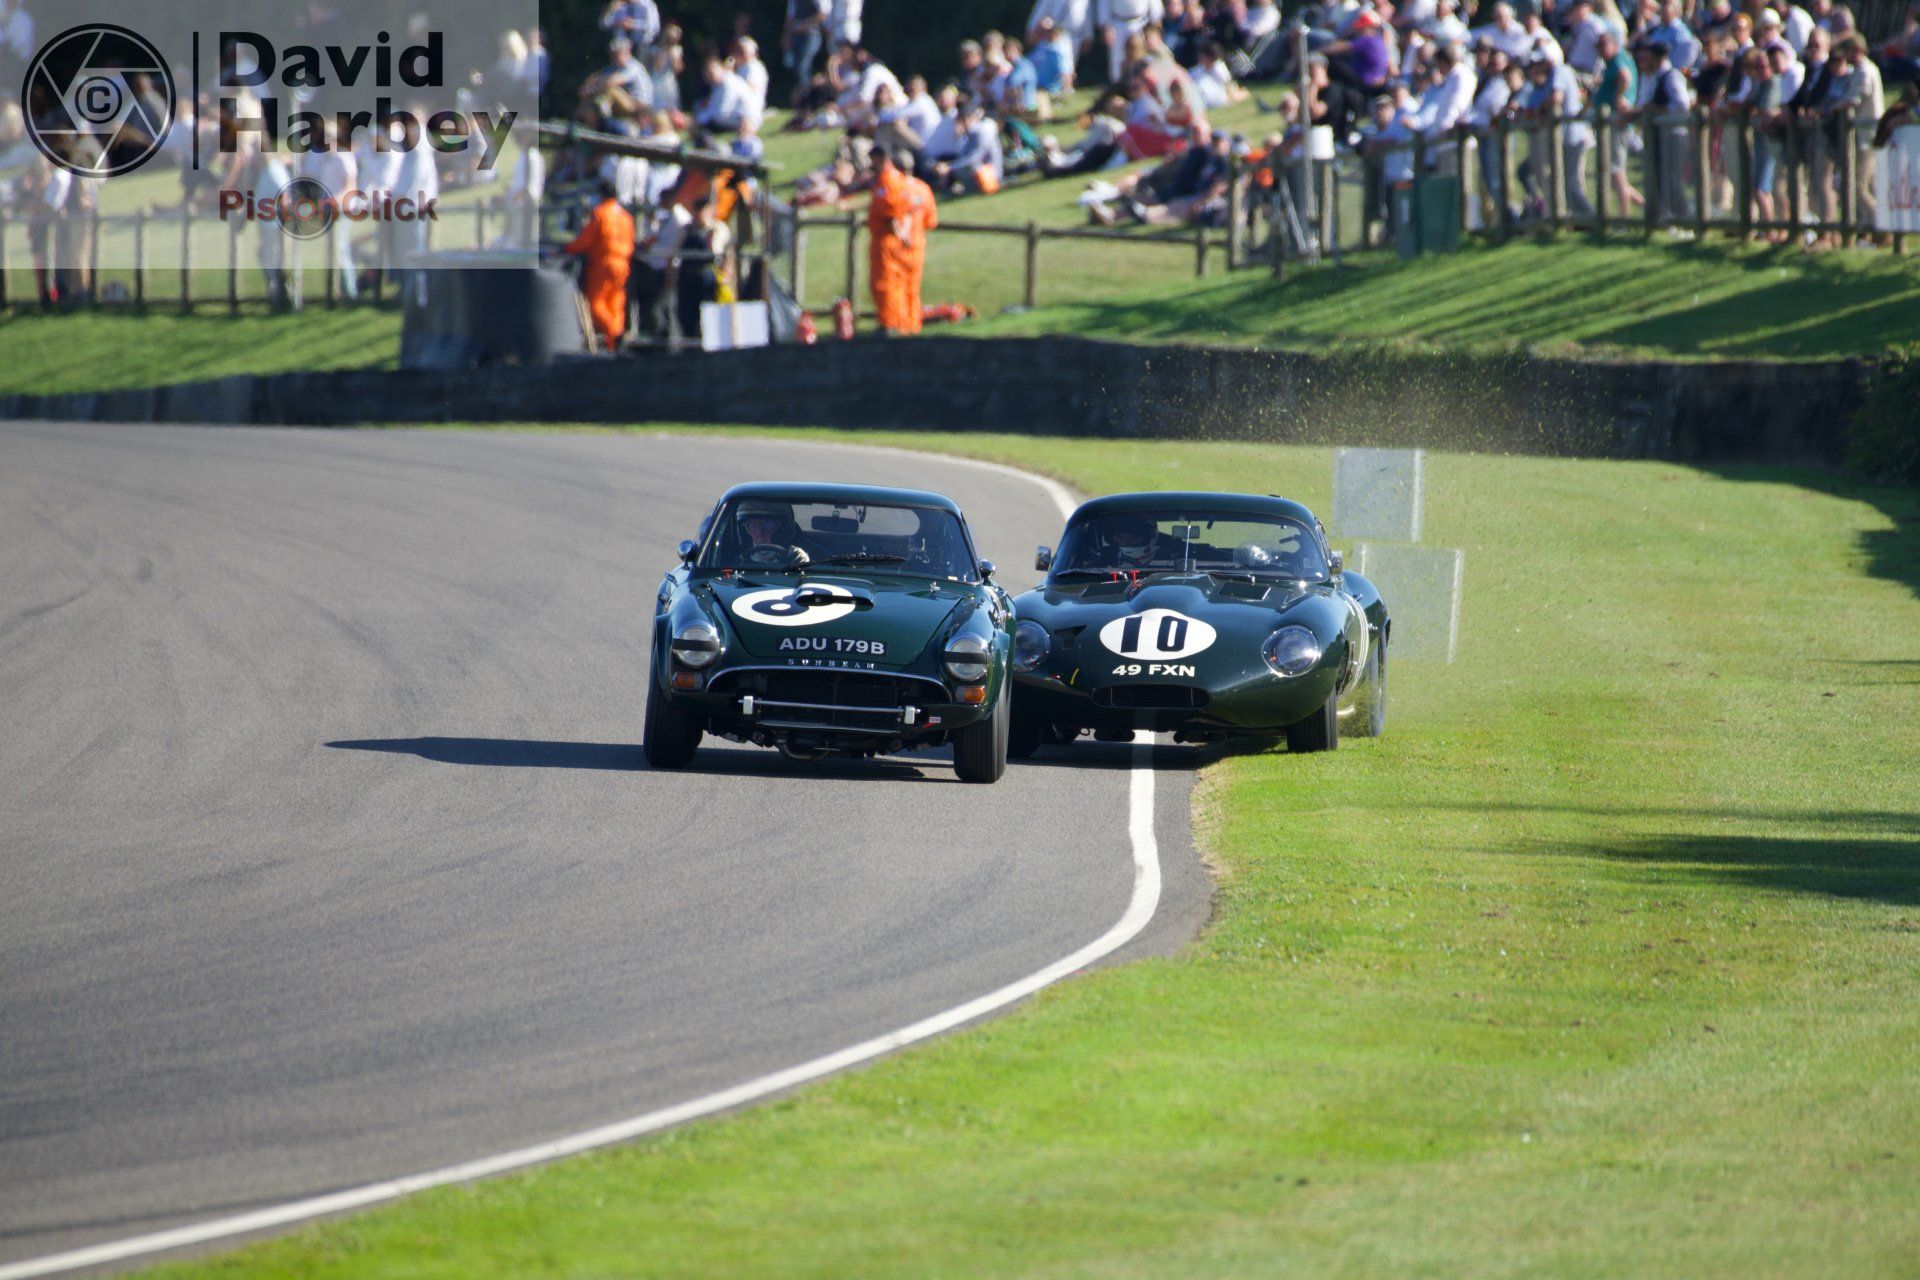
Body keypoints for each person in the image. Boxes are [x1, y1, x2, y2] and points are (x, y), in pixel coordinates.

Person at [866, 147, 939, 336]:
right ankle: (911, 328)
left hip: (893, 245)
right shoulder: (923, 188)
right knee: (911, 291)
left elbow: (891, 212)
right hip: (916, 247)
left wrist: (898, 231)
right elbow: (930, 221)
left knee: (888, 286)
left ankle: (892, 327)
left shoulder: (892, 184)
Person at [564, 178, 638, 349]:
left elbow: (585, 241)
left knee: (596, 303)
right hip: (623, 264)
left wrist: (567, 248)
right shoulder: (626, 217)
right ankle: (615, 345)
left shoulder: (601, 213)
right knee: (616, 303)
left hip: (604, 263)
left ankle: (615, 335)